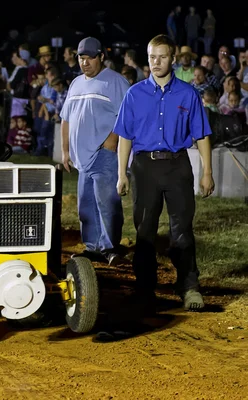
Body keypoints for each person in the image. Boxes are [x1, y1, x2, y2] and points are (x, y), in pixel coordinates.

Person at [114, 34, 214, 312]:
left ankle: (189, 286)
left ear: (172, 59)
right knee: (145, 230)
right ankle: (145, 288)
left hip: (177, 166)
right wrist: (122, 173)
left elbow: (202, 135)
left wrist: (207, 172)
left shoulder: (188, 93)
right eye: (151, 57)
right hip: (144, 168)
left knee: (182, 229)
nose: (156, 62)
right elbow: (124, 137)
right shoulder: (134, 94)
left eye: (162, 57)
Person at [60, 37, 130, 265]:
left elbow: (127, 115)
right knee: (86, 204)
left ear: (101, 57)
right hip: (82, 157)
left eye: (90, 57)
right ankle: (92, 247)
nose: (85, 62)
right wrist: (65, 151)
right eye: (81, 57)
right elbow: (65, 118)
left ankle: (110, 247)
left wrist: (112, 139)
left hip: (104, 152)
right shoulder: (76, 83)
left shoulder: (115, 81)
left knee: (107, 202)